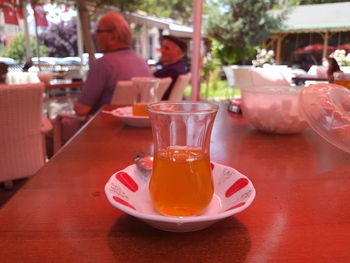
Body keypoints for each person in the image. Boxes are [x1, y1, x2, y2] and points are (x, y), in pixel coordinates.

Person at [74, 12, 152, 116]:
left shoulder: (102, 65)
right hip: (136, 127)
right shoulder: (142, 62)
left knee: (60, 122)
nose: (95, 37)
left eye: (98, 31)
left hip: (103, 127)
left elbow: (81, 110)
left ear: (114, 36)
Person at [154, 35, 188, 100]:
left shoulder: (171, 71)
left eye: (166, 48)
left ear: (178, 53)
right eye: (162, 47)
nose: (162, 50)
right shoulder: (180, 67)